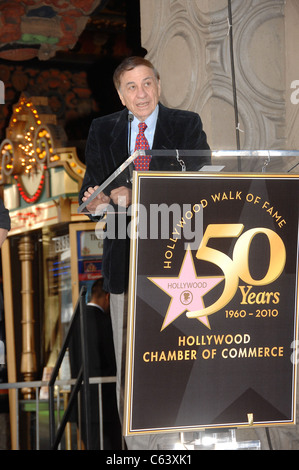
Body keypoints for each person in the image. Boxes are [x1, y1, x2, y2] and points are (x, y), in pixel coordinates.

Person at [79, 56, 210, 449]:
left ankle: (181, 445)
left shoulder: (186, 124)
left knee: (178, 361)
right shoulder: (103, 130)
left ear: (158, 84)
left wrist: (136, 195)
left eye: (148, 83)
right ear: (120, 94)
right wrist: (99, 201)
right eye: (132, 87)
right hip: (125, 267)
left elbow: (200, 186)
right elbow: (90, 195)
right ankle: (138, 450)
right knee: (131, 369)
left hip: (181, 263)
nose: (142, 93)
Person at [69, 277, 121, 450]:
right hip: (105, 404)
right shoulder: (105, 323)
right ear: (108, 297)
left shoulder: (75, 322)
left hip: (81, 403)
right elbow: (114, 361)